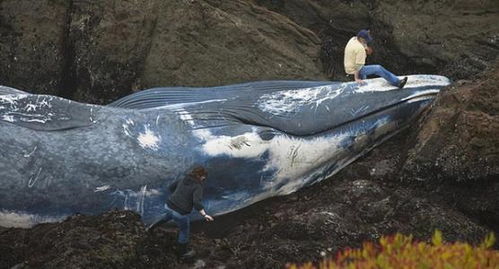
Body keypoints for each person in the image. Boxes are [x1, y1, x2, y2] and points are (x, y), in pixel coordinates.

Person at [147, 165, 214, 258]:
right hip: (180, 212)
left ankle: (150, 228)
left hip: (168, 205)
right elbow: (196, 202)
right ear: (200, 176)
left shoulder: (183, 178)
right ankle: (182, 253)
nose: (204, 178)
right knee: (184, 230)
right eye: (204, 176)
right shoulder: (198, 187)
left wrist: (178, 196)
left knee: (167, 216)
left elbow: (171, 188)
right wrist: (204, 214)